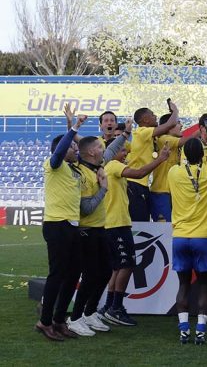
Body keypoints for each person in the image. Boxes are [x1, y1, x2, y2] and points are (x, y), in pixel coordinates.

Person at [101, 121, 170, 326]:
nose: (125, 154)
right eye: (122, 150)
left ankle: (109, 306)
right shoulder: (112, 166)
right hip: (116, 224)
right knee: (128, 265)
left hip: (115, 223)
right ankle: (116, 308)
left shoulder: (111, 167)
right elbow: (140, 174)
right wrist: (161, 159)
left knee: (117, 267)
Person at [168, 130, 207, 345]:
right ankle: (201, 331)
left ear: (184, 154)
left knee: (183, 284)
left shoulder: (174, 172)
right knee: (203, 285)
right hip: (202, 238)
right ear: (203, 156)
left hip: (180, 237)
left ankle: (184, 329)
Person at [36, 114, 87, 341]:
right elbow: (58, 153)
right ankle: (44, 322)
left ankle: (59, 320)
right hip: (57, 225)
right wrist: (74, 127)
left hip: (72, 226)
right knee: (57, 274)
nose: (76, 149)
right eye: (72, 146)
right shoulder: (53, 164)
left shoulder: (73, 169)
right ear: (62, 149)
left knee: (74, 273)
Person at [66, 134, 118, 336]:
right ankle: (75, 317)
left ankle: (89, 312)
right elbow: (85, 208)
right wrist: (103, 189)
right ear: (90, 152)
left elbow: (112, 150)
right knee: (90, 275)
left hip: (99, 228)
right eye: (98, 146)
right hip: (86, 231)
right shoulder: (82, 175)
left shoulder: (97, 167)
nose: (102, 147)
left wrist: (125, 133)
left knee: (105, 271)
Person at [126, 102, 179, 221]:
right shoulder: (142, 131)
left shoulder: (149, 137)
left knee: (144, 220)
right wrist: (175, 111)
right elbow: (170, 124)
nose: (156, 116)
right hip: (134, 183)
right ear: (145, 119)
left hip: (142, 184)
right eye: (152, 114)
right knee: (138, 221)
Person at [149, 113, 195, 222]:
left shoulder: (176, 146)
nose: (181, 125)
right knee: (164, 229)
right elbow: (184, 141)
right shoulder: (164, 139)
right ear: (169, 127)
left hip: (174, 192)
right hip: (161, 192)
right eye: (178, 123)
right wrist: (201, 131)